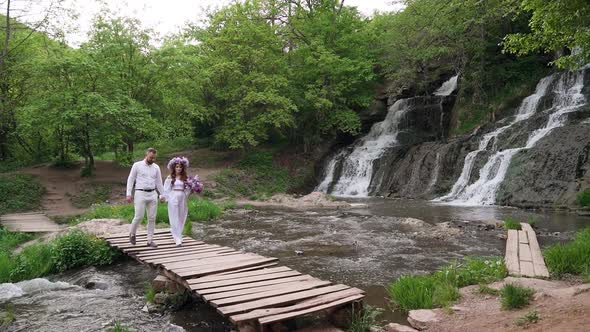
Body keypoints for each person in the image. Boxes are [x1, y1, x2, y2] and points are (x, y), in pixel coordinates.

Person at [126, 148, 165, 247]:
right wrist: (129, 194)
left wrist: (163, 194)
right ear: (146, 154)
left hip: (152, 194)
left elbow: (159, 183)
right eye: (151, 157)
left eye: (154, 158)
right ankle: (132, 233)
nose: (152, 159)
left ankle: (149, 240)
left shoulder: (156, 167)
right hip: (140, 193)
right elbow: (131, 179)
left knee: (152, 218)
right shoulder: (137, 165)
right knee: (139, 216)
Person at [163, 156, 191, 246]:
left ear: (183, 168)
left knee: (181, 216)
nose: (178, 168)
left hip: (182, 197)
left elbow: (187, 189)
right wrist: (166, 198)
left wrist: (190, 190)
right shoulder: (170, 177)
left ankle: (179, 233)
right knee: (174, 216)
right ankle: (177, 238)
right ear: (174, 168)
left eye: (180, 167)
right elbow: (166, 189)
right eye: (177, 167)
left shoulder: (185, 177)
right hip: (173, 197)